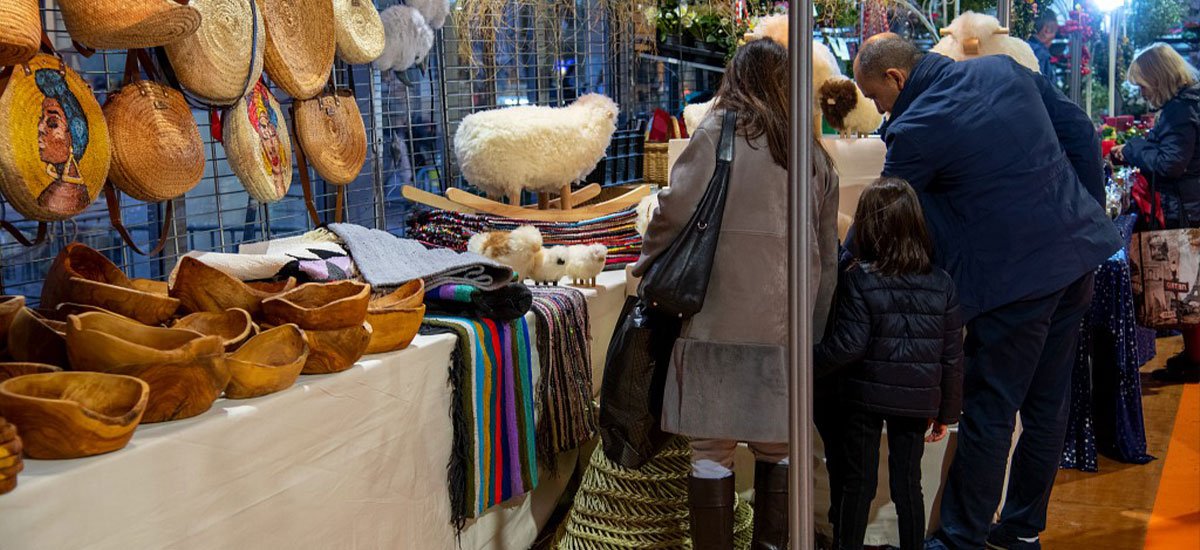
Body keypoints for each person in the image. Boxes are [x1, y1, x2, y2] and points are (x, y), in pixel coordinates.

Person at [853, 35, 1122, 550]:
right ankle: (1021, 531)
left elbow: (880, 216)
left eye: (873, 96)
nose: (875, 108)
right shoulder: (1004, 70)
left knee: (990, 408)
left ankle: (961, 539)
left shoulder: (914, 129)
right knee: (1047, 404)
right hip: (1075, 257)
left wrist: (844, 266)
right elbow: (1082, 134)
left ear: (896, 80)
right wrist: (1082, 208)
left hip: (1013, 281)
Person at [632, 37, 840, 550]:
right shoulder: (810, 151)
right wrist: (814, 328)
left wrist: (645, 264)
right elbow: (827, 252)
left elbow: (673, 213)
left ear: (736, 79)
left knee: (711, 451)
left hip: (713, 323)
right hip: (785, 330)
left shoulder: (715, 134)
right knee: (781, 449)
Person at [814, 177, 964, 550]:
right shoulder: (941, 282)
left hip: (863, 397)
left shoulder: (859, 280)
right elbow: (951, 354)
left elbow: (849, 345)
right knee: (907, 484)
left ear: (867, 225)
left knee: (857, 482)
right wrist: (946, 411)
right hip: (916, 403)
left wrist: (804, 365)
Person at [1113, 43, 1200, 382]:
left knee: (1188, 289)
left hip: (1187, 210)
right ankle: (1192, 356)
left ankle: (1195, 362)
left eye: (1142, 84)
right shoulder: (1188, 104)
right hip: (1189, 205)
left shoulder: (1181, 111)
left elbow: (1170, 163)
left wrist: (1133, 149)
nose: (1142, 92)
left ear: (1157, 78)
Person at [35, 68, 91, 215]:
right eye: (41, 119)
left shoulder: (68, 197)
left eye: (52, 123)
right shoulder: (50, 192)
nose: (40, 127)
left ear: (73, 137)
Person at [1028, 9, 1058, 81]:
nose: (1054, 36)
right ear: (1047, 30)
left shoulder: (1022, 46)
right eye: (1054, 31)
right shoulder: (1041, 55)